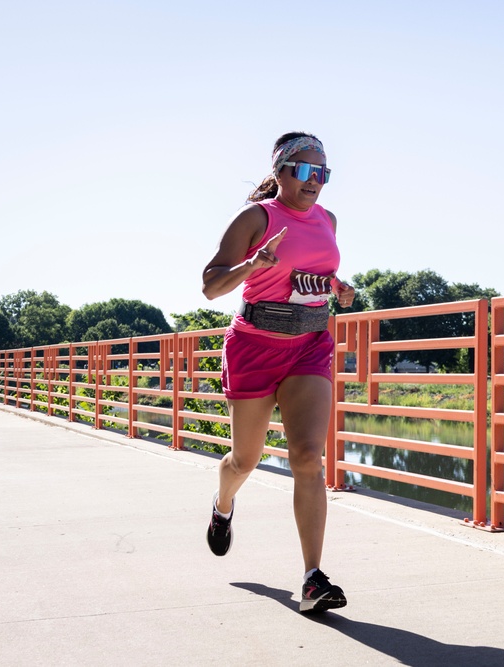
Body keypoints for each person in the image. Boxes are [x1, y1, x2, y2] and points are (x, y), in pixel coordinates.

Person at [201, 131, 355, 614]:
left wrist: (336, 288)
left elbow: (308, 274)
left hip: (310, 345)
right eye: (308, 171)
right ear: (283, 170)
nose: (317, 182)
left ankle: (313, 578)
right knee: (244, 461)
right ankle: (223, 505)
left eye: (324, 173)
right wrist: (251, 264)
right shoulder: (256, 217)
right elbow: (210, 286)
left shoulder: (328, 220)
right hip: (254, 347)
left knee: (308, 457)